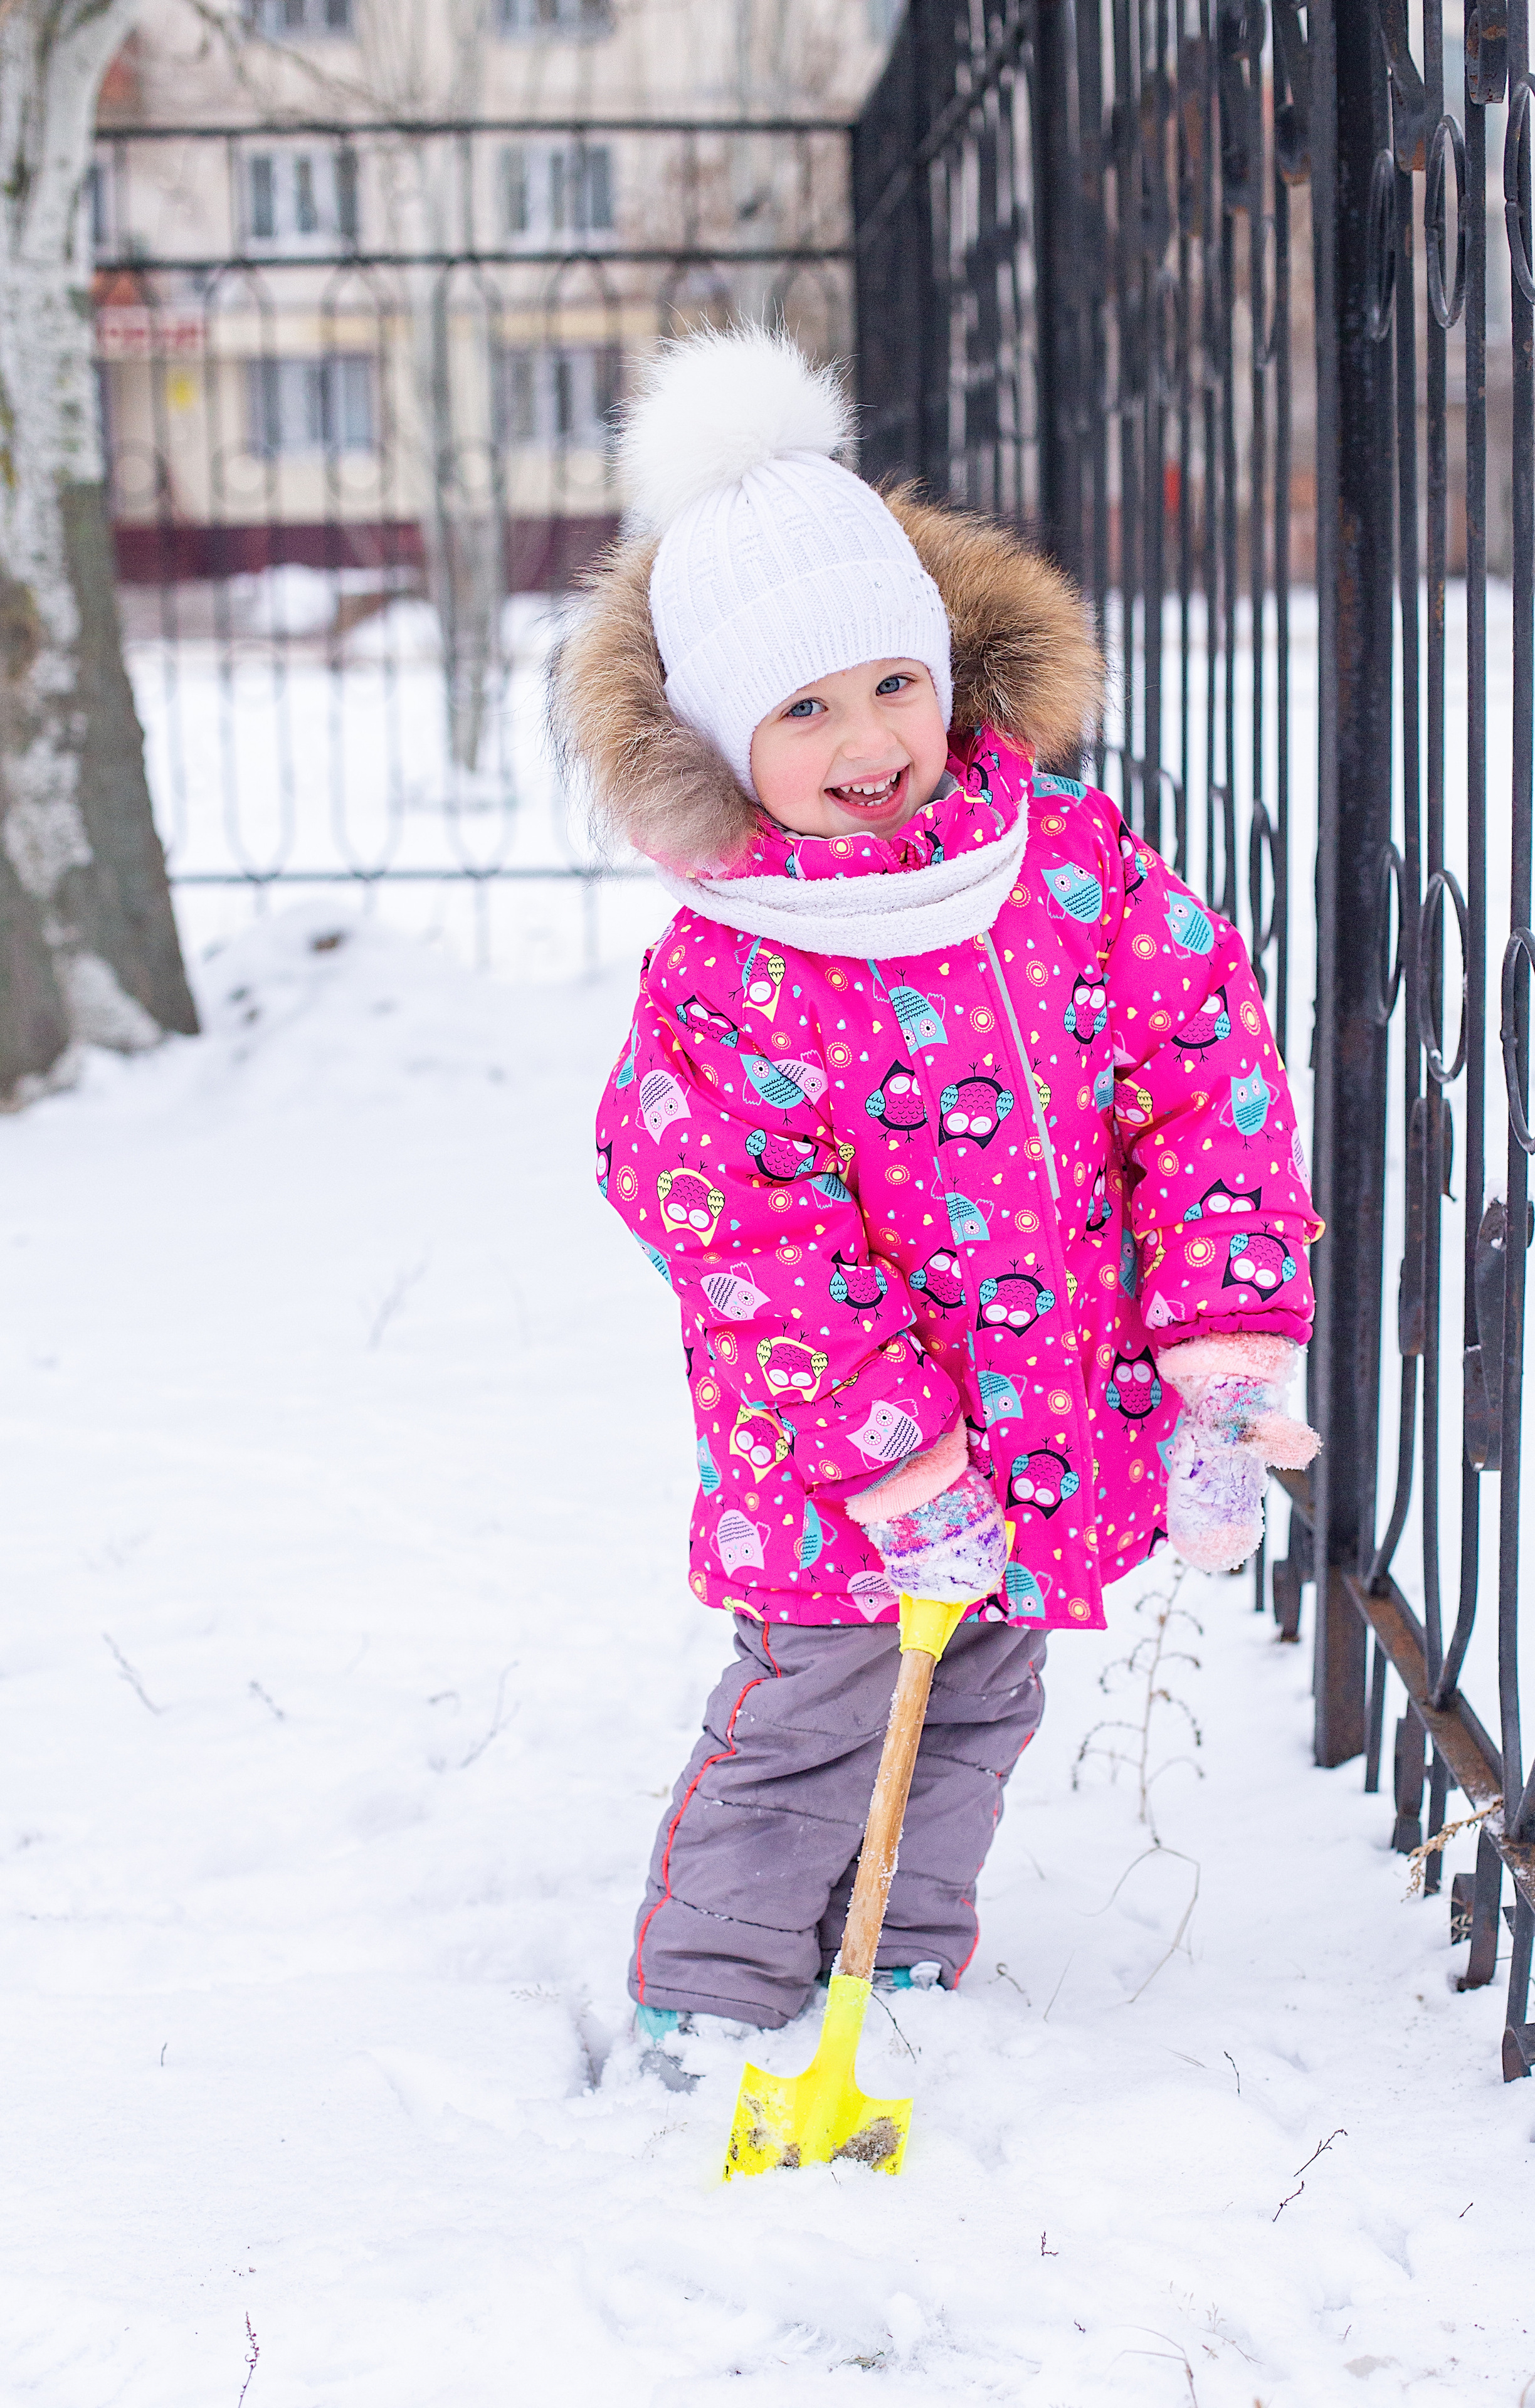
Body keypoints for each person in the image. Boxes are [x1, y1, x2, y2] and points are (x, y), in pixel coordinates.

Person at [552, 327, 1319, 2074]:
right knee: (820, 1702)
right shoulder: (732, 965)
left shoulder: (1066, 863)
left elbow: (1204, 1069)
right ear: (723, 739)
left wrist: (1220, 1332)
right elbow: (730, 1217)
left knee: (983, 1692)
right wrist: (897, 1451)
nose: (866, 739)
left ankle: (896, 1969)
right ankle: (719, 1991)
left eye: (891, 683)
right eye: (802, 711)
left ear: (948, 668)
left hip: (1049, 1411)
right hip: (840, 1446)